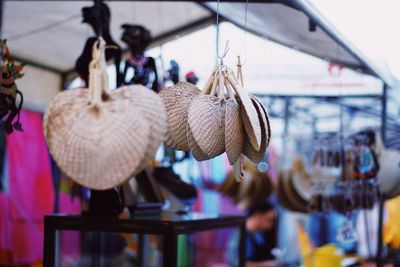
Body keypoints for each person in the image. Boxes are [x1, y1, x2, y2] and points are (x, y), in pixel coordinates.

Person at [245, 202, 277, 267]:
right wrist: (270, 264)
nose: (270, 225)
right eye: (269, 220)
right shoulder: (241, 237)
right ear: (257, 215)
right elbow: (242, 264)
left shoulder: (259, 235)